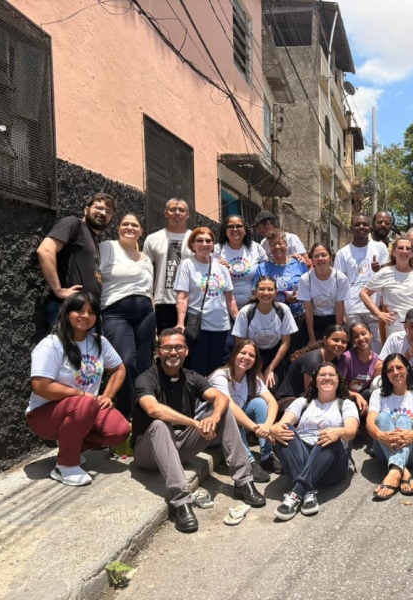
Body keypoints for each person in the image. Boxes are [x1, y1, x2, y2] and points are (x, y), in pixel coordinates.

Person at [133, 328, 266, 533]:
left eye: (178, 347)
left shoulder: (191, 376)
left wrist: (214, 417)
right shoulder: (146, 378)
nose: (173, 352)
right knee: (159, 424)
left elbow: (220, 398)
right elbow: (153, 409)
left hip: (181, 447)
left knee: (224, 410)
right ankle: (181, 502)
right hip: (148, 451)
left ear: (186, 351)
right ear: (158, 352)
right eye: (167, 347)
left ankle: (243, 482)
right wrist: (195, 424)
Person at [28, 291, 130, 486]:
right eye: (79, 311)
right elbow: (40, 386)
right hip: (44, 415)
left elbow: (119, 369)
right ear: (67, 312)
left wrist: (107, 395)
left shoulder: (99, 342)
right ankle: (65, 466)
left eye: (91, 312)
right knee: (84, 404)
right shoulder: (52, 344)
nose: (85, 316)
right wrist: (81, 394)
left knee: (119, 430)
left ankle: (70, 446)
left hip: (84, 410)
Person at [269, 363, 359, 521]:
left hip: (331, 467)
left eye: (332, 375)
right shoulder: (302, 402)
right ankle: (307, 492)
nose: (327, 378)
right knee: (285, 430)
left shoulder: (346, 404)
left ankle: (297, 492)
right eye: (322, 375)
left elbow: (351, 431)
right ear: (315, 381)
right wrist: (273, 429)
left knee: (329, 435)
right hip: (302, 461)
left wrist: (338, 432)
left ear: (338, 381)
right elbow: (282, 424)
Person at [99, 213, 155, 418]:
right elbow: (95, 274)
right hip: (115, 311)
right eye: (125, 224)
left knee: (144, 364)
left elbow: (149, 291)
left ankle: (142, 411)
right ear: (118, 228)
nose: (129, 228)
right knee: (125, 361)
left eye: (134, 225)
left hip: (146, 313)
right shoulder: (108, 247)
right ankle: (125, 413)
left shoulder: (146, 259)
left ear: (141, 231)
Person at [37, 192, 116, 324]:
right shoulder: (73, 223)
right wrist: (58, 290)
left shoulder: (93, 240)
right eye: (98, 208)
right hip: (69, 309)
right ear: (86, 210)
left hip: (89, 312)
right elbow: (45, 250)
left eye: (108, 212)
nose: (103, 213)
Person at [208, 340, 280, 482]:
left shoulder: (251, 378)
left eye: (251, 355)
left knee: (260, 403)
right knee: (230, 412)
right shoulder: (220, 376)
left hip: (235, 427)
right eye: (243, 353)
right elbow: (231, 407)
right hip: (211, 430)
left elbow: (272, 401)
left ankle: (267, 456)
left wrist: (267, 427)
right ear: (234, 354)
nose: (246, 357)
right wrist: (256, 429)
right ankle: (248, 460)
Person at [367, 354, 413, 499]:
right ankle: (400, 470)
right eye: (390, 370)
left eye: (399, 368)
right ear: (386, 374)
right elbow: (370, 422)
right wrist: (380, 435)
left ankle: (395, 470)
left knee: (404, 419)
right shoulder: (378, 394)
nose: (395, 372)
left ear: (407, 369)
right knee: (382, 417)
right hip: (384, 449)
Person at [174, 227, 238, 377]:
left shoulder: (221, 267)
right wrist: (180, 323)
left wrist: (239, 320)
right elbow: (182, 297)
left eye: (208, 241)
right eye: (200, 241)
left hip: (221, 325)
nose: (204, 244)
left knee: (217, 368)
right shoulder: (187, 265)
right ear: (192, 245)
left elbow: (230, 299)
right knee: (198, 367)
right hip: (199, 326)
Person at [361, 236, 413, 339]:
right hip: (395, 330)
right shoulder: (384, 273)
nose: (404, 251)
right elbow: (363, 293)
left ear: (412, 253)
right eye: (400, 248)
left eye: (408, 248)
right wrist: (378, 314)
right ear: (393, 252)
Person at [335, 213, 391, 353]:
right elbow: (338, 286)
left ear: (370, 228)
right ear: (351, 228)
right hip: (352, 309)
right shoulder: (342, 253)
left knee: (378, 349)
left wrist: (378, 270)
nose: (361, 227)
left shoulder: (380, 248)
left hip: (375, 308)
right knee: (358, 349)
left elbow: (387, 276)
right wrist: (341, 313)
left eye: (365, 224)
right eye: (357, 224)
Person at [232, 276, 298, 390]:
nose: (266, 293)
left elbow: (286, 343)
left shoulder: (283, 310)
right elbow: (240, 343)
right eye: (262, 289)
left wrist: (270, 369)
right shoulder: (245, 312)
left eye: (270, 289)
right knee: (252, 387)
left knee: (271, 386)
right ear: (255, 292)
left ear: (276, 292)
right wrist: (257, 370)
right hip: (251, 354)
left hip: (274, 355)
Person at [255, 229, 311, 353]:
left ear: (286, 245)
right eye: (273, 244)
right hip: (272, 318)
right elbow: (256, 294)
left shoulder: (299, 264)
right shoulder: (262, 268)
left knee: (295, 353)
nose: (277, 247)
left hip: (297, 316)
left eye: (280, 243)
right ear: (269, 247)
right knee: (274, 353)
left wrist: (299, 296)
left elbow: (308, 289)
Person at [143, 198, 193, 333]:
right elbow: (145, 271)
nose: (177, 213)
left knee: (190, 344)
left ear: (187, 215)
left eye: (181, 210)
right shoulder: (153, 239)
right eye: (172, 209)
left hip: (191, 302)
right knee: (165, 343)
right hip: (162, 301)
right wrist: (149, 298)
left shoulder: (196, 239)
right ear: (166, 213)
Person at [275, 325, 350, 413]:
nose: (340, 344)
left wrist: (354, 395)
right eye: (335, 340)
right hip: (289, 400)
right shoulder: (313, 361)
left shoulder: (334, 360)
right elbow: (310, 393)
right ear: (325, 340)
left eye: (344, 342)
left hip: (312, 397)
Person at [298, 243, 349, 345]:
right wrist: (312, 338)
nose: (320, 258)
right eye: (316, 256)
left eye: (324, 255)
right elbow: (308, 309)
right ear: (312, 259)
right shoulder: (305, 279)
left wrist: (338, 334)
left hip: (333, 318)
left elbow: (339, 307)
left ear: (330, 258)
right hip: (314, 320)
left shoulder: (340, 278)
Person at [215, 214, 268, 309]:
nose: (235, 229)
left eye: (239, 226)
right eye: (230, 226)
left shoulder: (256, 248)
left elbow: (268, 270)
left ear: (245, 230)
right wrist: (217, 267)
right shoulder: (217, 250)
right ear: (225, 231)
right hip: (224, 308)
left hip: (253, 307)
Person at [339, 321, 379, 411]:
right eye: (356, 336)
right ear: (353, 340)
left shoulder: (377, 359)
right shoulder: (346, 357)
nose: (361, 338)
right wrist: (356, 395)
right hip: (347, 398)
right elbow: (339, 387)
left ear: (371, 334)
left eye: (364, 334)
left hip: (367, 399)